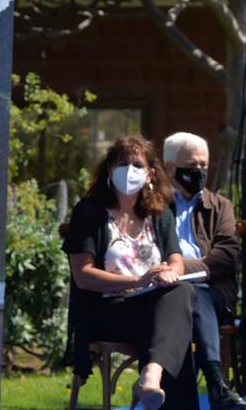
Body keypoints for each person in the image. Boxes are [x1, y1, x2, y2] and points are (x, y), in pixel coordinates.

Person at [63, 135, 197, 410]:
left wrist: (168, 272)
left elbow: (176, 260)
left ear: (150, 174)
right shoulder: (88, 212)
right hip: (108, 310)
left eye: (137, 164)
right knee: (175, 329)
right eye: (123, 164)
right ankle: (153, 380)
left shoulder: (160, 214)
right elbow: (83, 276)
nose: (130, 170)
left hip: (151, 306)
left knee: (181, 290)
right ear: (110, 170)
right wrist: (140, 279)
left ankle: (152, 375)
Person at [163, 132, 246, 410]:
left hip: (213, 294)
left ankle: (212, 383)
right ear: (170, 167)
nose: (199, 171)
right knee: (182, 297)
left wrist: (177, 268)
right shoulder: (153, 206)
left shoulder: (221, 206)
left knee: (192, 293)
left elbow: (226, 255)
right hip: (164, 292)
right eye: (192, 165)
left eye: (203, 165)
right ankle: (215, 387)